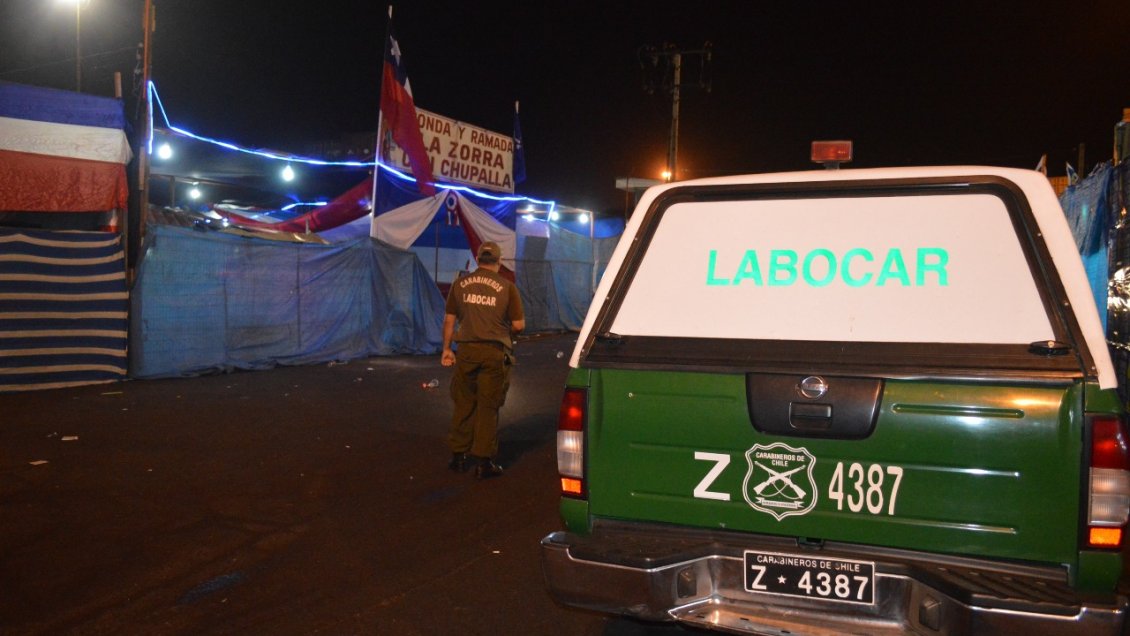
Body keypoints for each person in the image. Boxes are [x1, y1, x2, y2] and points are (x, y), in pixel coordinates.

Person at [441, 241, 525, 479]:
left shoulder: (459, 285)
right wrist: (505, 330)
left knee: (464, 402)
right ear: (498, 263)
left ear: (478, 260)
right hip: (494, 352)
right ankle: (483, 462)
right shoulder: (507, 287)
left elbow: (449, 320)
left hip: (466, 350)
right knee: (488, 406)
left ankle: (458, 457)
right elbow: (519, 325)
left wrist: (447, 349)